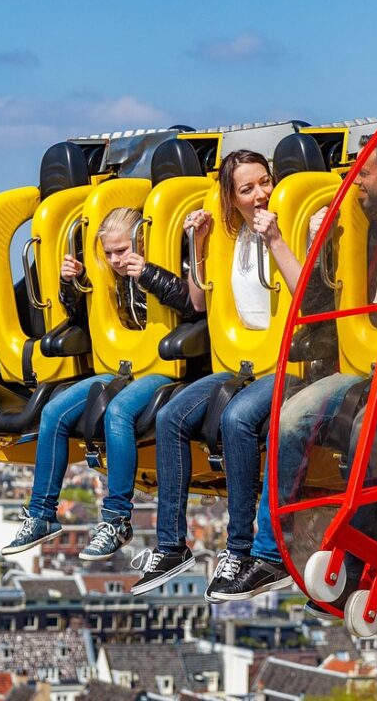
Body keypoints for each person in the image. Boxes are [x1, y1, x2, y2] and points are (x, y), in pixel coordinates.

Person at [253, 129, 377, 611]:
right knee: (291, 418)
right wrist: (318, 245)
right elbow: (320, 301)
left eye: (364, 174)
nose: (356, 184)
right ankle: (281, 545)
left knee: (369, 428)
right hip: (363, 361)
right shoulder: (357, 225)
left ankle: (352, 568)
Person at [130, 150, 303, 599]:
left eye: (264, 181)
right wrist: (198, 247)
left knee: (237, 419)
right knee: (171, 417)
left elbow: (307, 294)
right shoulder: (233, 236)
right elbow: (202, 303)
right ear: (231, 199)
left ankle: (241, 550)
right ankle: (171, 546)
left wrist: (277, 240)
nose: (260, 194)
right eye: (247, 189)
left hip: (288, 362)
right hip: (243, 360)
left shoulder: (292, 223)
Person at [2, 207, 199, 560]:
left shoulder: (170, 259)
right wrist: (71, 284)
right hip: (118, 364)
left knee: (119, 413)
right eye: (108, 253)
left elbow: (194, 307)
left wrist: (150, 275)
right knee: (53, 413)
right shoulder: (105, 275)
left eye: (121, 251)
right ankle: (42, 514)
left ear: (139, 242)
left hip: (161, 364)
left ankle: (116, 519)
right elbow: (80, 317)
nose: (114, 260)